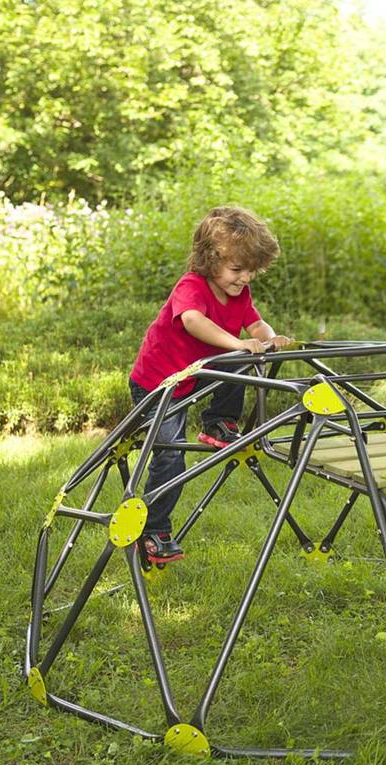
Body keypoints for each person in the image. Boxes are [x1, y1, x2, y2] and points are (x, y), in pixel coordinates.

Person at [128, 205, 291, 565]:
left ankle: (218, 421)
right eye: (237, 269)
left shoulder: (239, 294)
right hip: (158, 383)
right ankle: (155, 532)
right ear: (209, 259)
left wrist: (270, 337)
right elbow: (191, 321)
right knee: (170, 454)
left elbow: (257, 326)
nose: (245, 278)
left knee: (241, 358)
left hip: (195, 376)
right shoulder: (193, 286)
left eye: (252, 271)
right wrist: (238, 343)